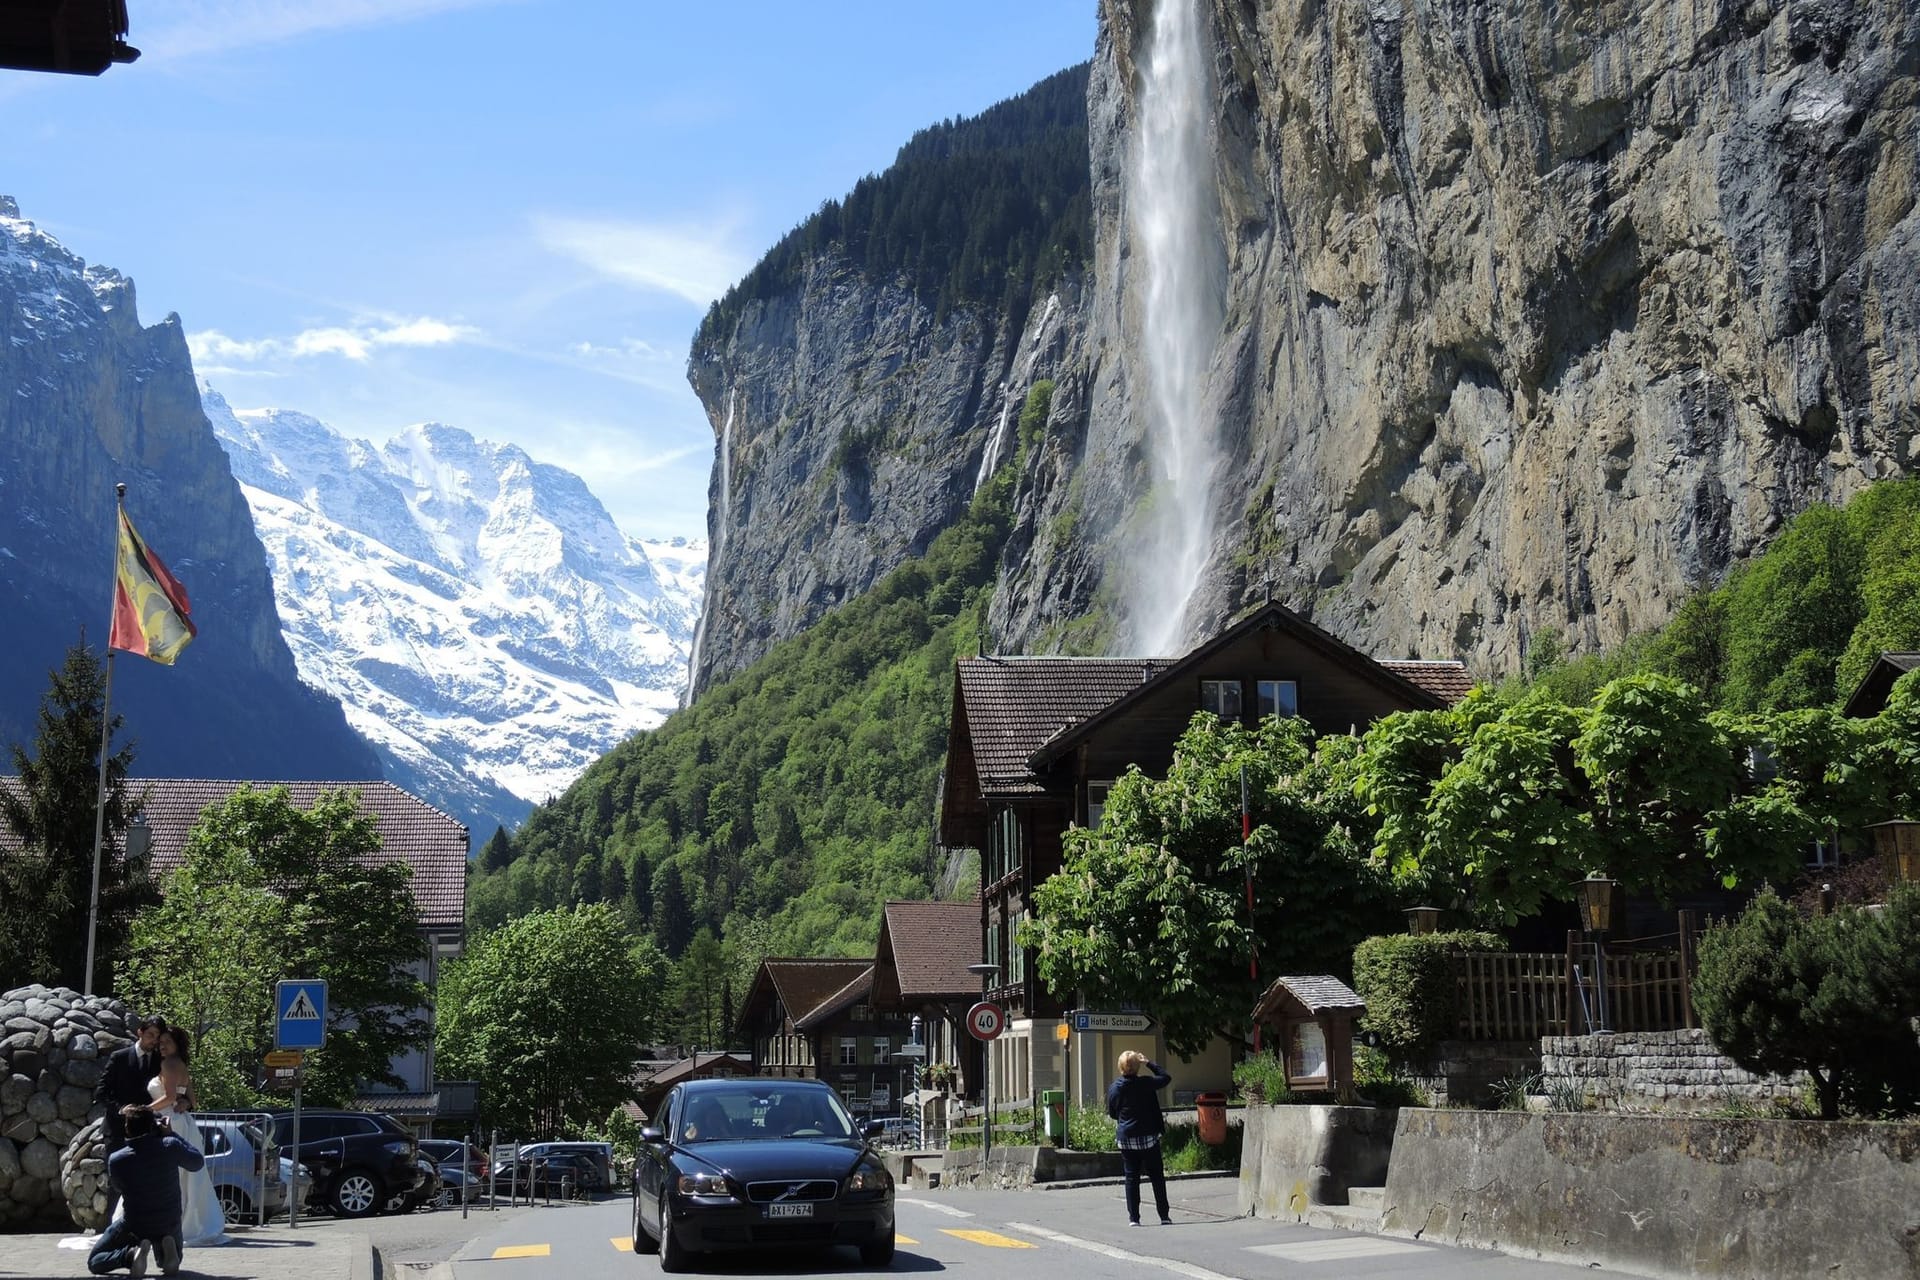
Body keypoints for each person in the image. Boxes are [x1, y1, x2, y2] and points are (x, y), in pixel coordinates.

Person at [131, 1026, 226, 1247]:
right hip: (183, 1123)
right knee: (186, 1175)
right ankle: (188, 1222)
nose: (162, 1046)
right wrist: (184, 1102)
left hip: (167, 1122)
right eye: (161, 1042)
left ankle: (167, 1223)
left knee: (165, 1174)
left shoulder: (168, 1064)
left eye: (167, 1042)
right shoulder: (181, 1064)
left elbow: (169, 1096)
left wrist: (142, 1110)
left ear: (177, 1044)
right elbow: (192, 1099)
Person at [87, 1108, 204, 1277]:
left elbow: (118, 1187)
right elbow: (197, 1162)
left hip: (135, 1224)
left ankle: (129, 1256)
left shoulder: (117, 1159)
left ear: (127, 1129)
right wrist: (172, 1134)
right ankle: (170, 1256)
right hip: (169, 1220)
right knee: (167, 1244)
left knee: (95, 1261)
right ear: (152, 1127)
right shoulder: (170, 1145)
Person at [94, 1015, 165, 1221]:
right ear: (140, 1032)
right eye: (150, 1035)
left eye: (157, 1037)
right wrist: (121, 1109)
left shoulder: (161, 1062)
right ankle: (111, 1227)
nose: (154, 1040)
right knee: (117, 1180)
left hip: (147, 1132)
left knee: (146, 1180)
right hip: (117, 1130)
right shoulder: (120, 1057)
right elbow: (102, 1092)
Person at [1105, 1049, 1172, 1227]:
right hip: (1148, 1136)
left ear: (1120, 1067)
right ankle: (1164, 1216)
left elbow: (1112, 1113)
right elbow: (1165, 1077)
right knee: (1156, 1176)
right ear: (1137, 1067)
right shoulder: (1146, 1083)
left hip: (1126, 1138)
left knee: (1131, 1178)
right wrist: (1148, 1062)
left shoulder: (1114, 1088)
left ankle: (1134, 1218)